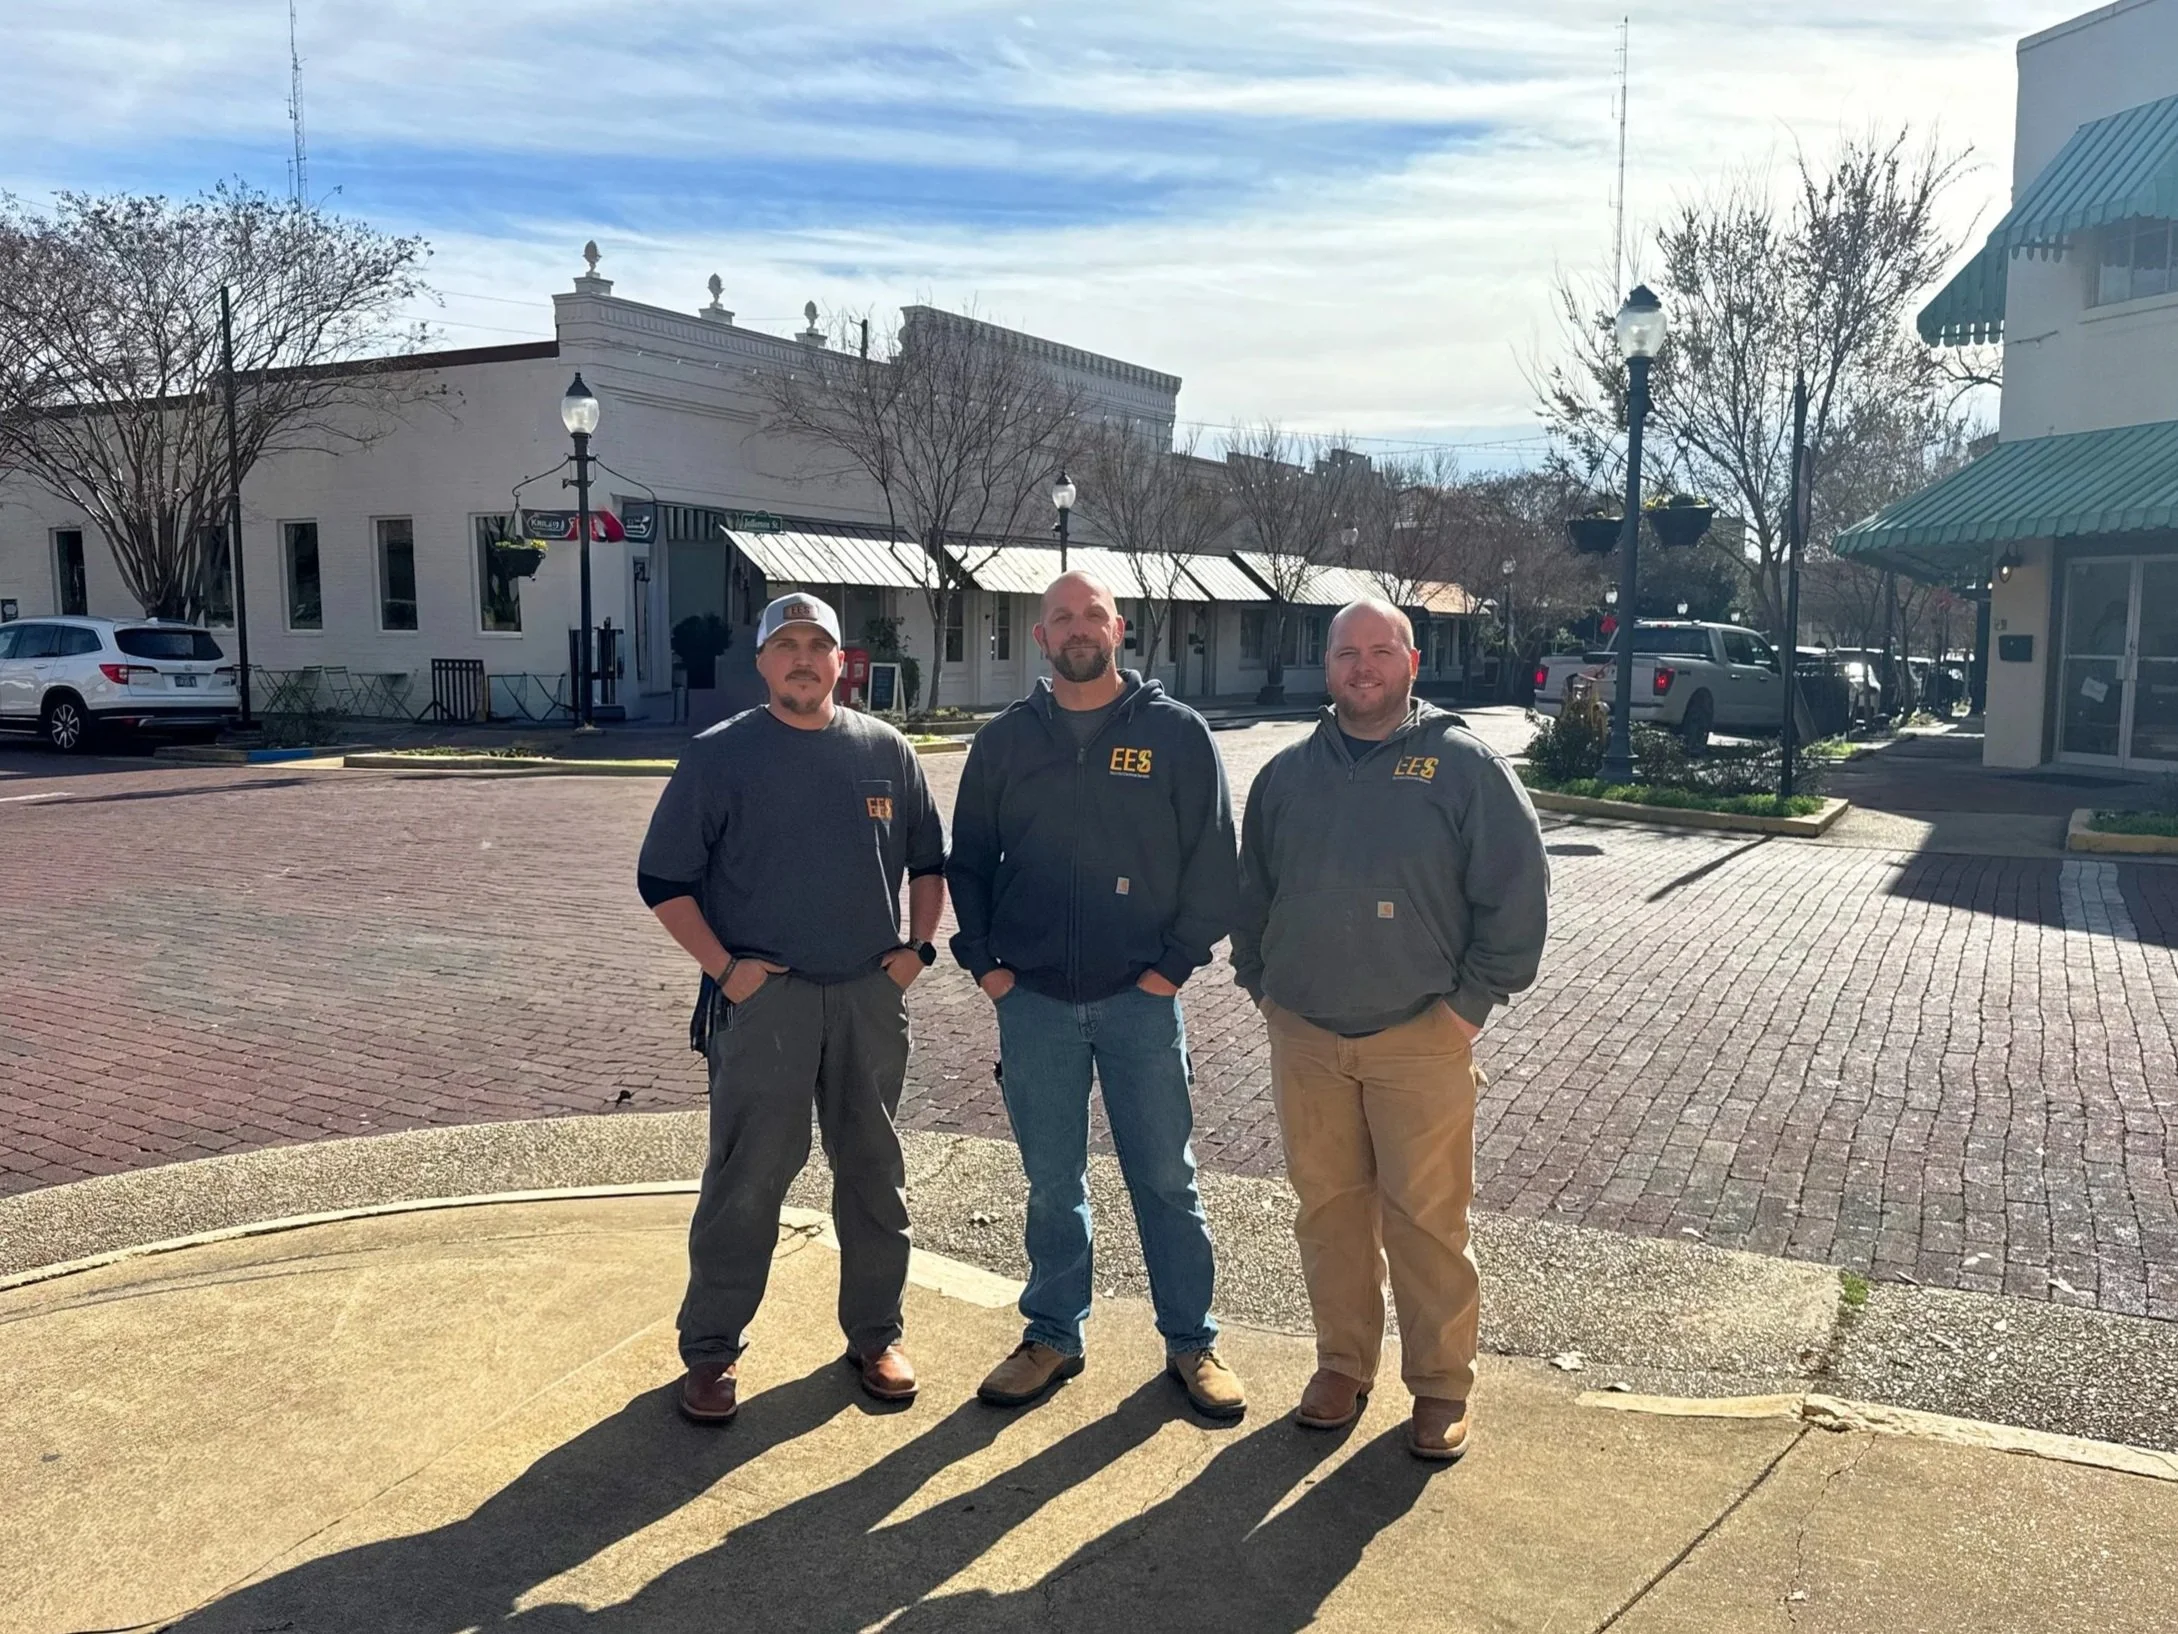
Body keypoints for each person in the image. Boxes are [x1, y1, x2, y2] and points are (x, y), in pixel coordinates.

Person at [1232, 598, 1549, 1461]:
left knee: (1428, 1222)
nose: (1361, 668)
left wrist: (1468, 1008)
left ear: (1412, 663)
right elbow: (1251, 891)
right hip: (1306, 1035)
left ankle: (1441, 1386)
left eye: (1380, 652)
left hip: (1421, 1036)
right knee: (1328, 1213)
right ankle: (1343, 1366)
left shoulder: (1465, 768)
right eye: (1345, 653)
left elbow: (1518, 899)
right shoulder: (1287, 774)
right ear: (1325, 666)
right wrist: (1263, 985)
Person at [638, 591, 946, 1425]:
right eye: (788, 646)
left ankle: (875, 1334)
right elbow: (663, 881)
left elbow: (927, 858)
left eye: (820, 645)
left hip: (866, 1000)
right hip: (764, 1003)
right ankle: (710, 1350)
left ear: (842, 662)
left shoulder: (887, 750)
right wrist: (726, 970)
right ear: (763, 663)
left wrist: (915, 953)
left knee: (875, 1170)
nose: (804, 659)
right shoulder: (719, 757)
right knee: (747, 1178)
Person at [947, 571, 1244, 1418]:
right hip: (1033, 1001)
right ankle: (1051, 1335)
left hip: (1140, 1002)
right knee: (1052, 1180)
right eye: (1061, 618)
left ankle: (1193, 1344)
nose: (1078, 629)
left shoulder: (1176, 734)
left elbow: (1214, 862)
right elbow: (968, 861)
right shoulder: (1006, 741)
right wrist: (988, 965)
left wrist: (1172, 967)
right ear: (1040, 637)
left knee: (1166, 1179)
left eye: (1093, 615)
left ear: (1120, 628)